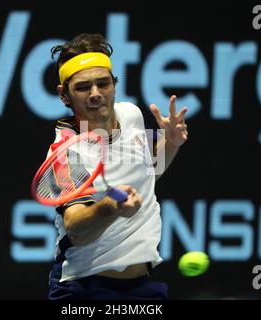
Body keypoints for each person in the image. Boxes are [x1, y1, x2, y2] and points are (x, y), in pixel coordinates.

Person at [46, 33, 188, 300]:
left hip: (144, 288)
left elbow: (150, 170)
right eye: (83, 87)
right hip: (85, 290)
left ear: (115, 84)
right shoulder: (66, 153)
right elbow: (75, 227)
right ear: (64, 95)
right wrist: (110, 206)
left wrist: (170, 143)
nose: (96, 94)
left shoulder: (130, 114)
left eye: (103, 84)